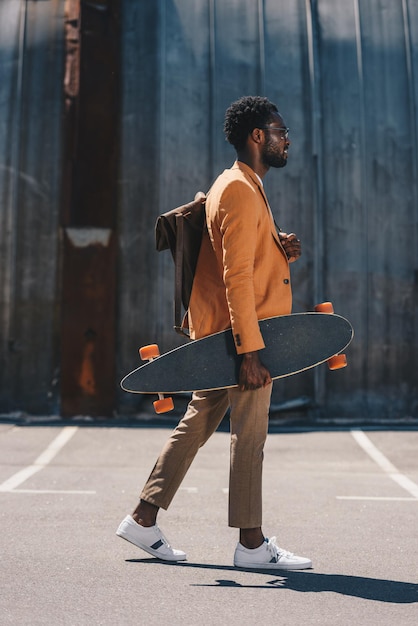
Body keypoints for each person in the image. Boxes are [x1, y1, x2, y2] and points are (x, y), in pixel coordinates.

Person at [117, 96, 312, 570]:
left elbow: (241, 256)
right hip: (241, 338)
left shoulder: (239, 184)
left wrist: (279, 247)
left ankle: (143, 519)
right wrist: (250, 351)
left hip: (223, 335)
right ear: (257, 137)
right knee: (250, 435)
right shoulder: (242, 190)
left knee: (198, 421)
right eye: (280, 131)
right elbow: (236, 276)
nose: (288, 139)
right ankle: (251, 546)